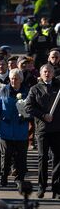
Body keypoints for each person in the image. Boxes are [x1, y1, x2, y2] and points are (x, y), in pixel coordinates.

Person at [26, 64, 60, 199]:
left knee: (57, 159)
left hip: (57, 129)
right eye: (45, 71)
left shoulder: (58, 88)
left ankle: (57, 189)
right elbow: (28, 107)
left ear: (53, 73)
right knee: (42, 158)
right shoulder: (35, 89)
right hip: (42, 129)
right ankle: (42, 186)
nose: (47, 73)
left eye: (50, 71)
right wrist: (43, 115)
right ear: (41, 74)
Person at [0, 69, 29, 187]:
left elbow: (30, 108)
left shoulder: (26, 91)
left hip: (21, 130)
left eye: (16, 78)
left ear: (21, 79)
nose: (14, 81)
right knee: (6, 156)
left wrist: (27, 117)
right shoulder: (2, 90)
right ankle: (4, 177)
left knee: (21, 157)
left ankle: (19, 178)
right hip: (5, 129)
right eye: (12, 78)